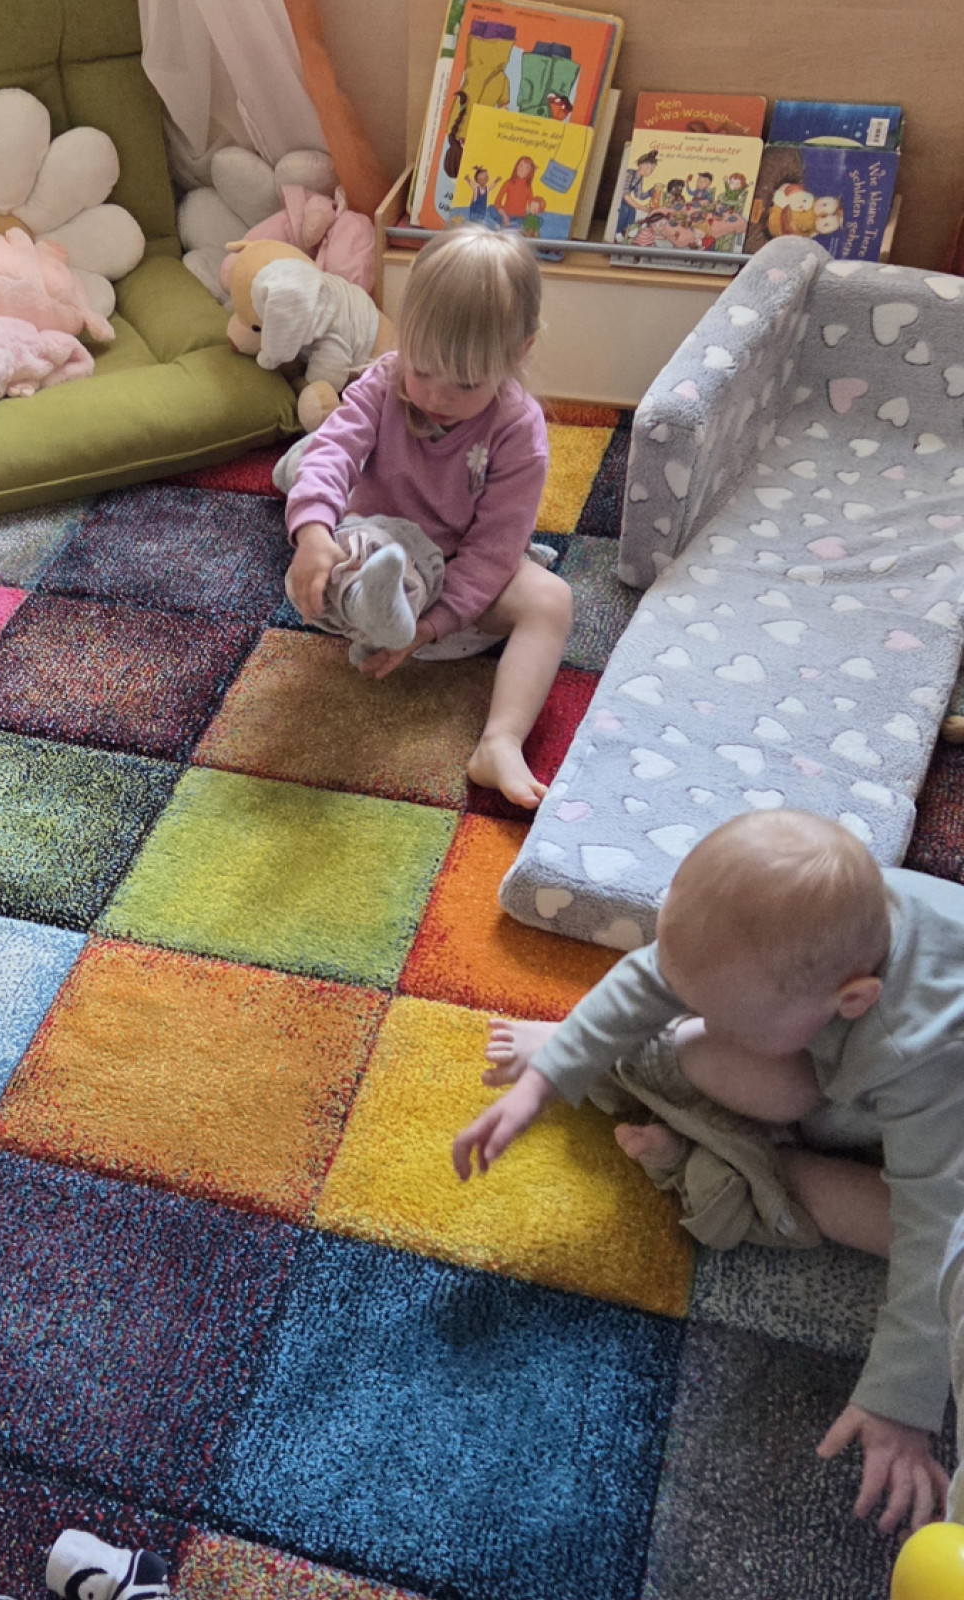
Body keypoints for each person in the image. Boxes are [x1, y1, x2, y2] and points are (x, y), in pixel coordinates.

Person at [453, 810, 964, 1535]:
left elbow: (934, 1232)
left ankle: (744, 1166)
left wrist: (899, 1401)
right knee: (764, 1080)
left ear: (851, 1002)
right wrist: (551, 1074)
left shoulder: (922, 1050)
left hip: (932, 1123)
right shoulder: (836, 921)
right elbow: (654, 975)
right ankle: (643, 1073)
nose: (704, 1016)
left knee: (932, 1250)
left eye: (724, 1016)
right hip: (869, 1095)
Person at [277, 227, 570, 808]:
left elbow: (494, 548)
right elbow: (336, 451)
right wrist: (312, 533)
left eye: (466, 382)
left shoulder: (518, 430)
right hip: (376, 542)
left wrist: (433, 625)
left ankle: (499, 742)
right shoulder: (384, 379)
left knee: (552, 601)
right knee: (320, 494)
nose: (437, 395)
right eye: (424, 368)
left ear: (519, 354)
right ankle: (364, 591)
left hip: (459, 578)